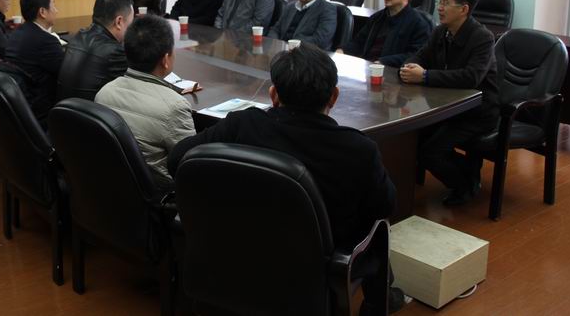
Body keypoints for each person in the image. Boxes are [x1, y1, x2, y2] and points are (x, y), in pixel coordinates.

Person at [168, 45, 402, 314]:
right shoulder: (358, 150)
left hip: (235, 248)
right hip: (312, 268)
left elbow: (178, 160)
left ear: (273, 94)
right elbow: (385, 207)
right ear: (334, 97)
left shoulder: (241, 125)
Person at [400, 0, 499, 206]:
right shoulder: (441, 31)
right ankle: (469, 170)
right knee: (412, 138)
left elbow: (471, 77)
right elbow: (420, 55)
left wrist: (425, 76)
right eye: (439, 2)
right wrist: (409, 67)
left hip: (477, 112)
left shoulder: (482, 37)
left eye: (445, 3)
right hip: (446, 105)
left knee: (430, 153)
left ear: (464, 9)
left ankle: (465, 185)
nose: (439, 7)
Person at [96, 15, 196, 191]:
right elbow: (192, 166)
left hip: (115, 188)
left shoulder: (104, 93)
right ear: (165, 60)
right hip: (161, 195)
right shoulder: (174, 107)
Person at [340, 0, 432, 66]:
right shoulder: (377, 18)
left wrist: (384, 61)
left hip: (392, 70)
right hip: (368, 66)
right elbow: (358, 42)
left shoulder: (419, 23)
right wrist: (343, 50)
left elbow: (415, 55)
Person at [57, 0, 133, 101]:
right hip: (90, 111)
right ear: (119, 22)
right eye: (130, 24)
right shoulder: (115, 52)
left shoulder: (77, 36)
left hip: (63, 108)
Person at [4, 0, 64, 124]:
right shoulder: (46, 40)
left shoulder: (16, 33)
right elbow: (66, 74)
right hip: (42, 108)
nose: (56, 10)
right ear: (42, 12)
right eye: (53, 4)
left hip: (21, 103)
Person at [267, 0, 337, 50]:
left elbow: (320, 40)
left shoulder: (327, 9)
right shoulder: (290, 6)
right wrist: (274, 43)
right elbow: (276, 29)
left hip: (306, 52)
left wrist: (292, 45)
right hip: (282, 50)